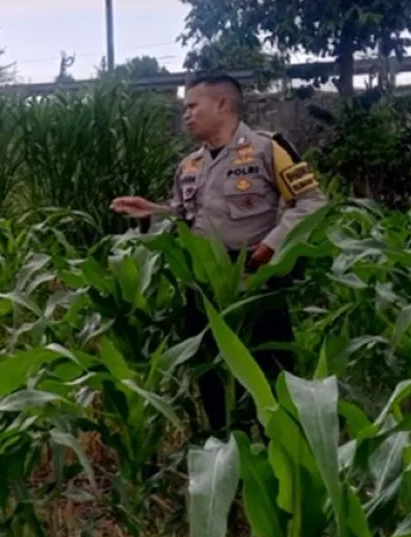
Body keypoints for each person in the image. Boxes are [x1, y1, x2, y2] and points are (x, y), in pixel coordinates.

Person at [111, 74, 327, 434]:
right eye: (185, 109)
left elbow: (312, 203)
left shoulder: (267, 149)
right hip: (204, 286)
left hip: (254, 282)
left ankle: (284, 448)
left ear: (222, 104)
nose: (186, 115)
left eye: (193, 106)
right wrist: (151, 210)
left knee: (271, 368)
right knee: (212, 373)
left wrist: (273, 243)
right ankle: (228, 446)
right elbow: (185, 216)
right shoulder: (189, 165)